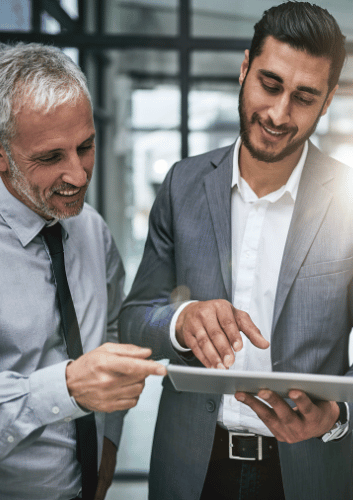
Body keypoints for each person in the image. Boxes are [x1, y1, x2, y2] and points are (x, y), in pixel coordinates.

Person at [119, 2, 353, 499]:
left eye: (304, 97)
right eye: (269, 85)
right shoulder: (182, 183)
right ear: (244, 68)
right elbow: (133, 319)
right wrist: (180, 320)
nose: (278, 114)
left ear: (328, 100)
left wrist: (337, 414)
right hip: (190, 467)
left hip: (306, 472)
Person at [0, 43, 167, 500]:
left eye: (86, 146)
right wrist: (68, 386)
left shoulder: (90, 229)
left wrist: (109, 442)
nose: (78, 174)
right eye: (51, 158)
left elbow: (110, 330)